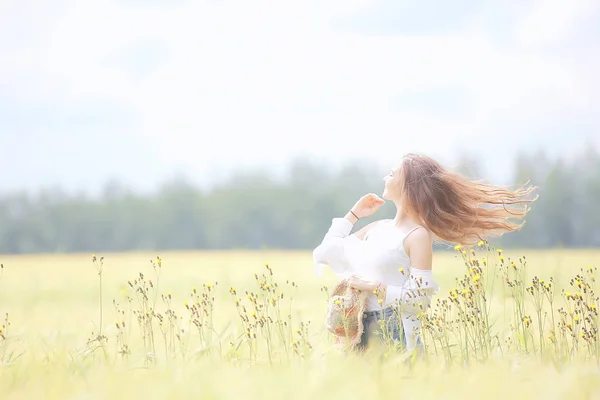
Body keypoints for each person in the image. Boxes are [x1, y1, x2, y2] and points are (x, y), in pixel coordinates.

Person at [313, 153, 537, 353]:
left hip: (391, 330)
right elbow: (327, 251)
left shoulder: (417, 236)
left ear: (407, 185)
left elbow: (419, 299)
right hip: (356, 330)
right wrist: (353, 214)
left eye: (392, 174)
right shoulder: (376, 227)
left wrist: (372, 287)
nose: (385, 178)